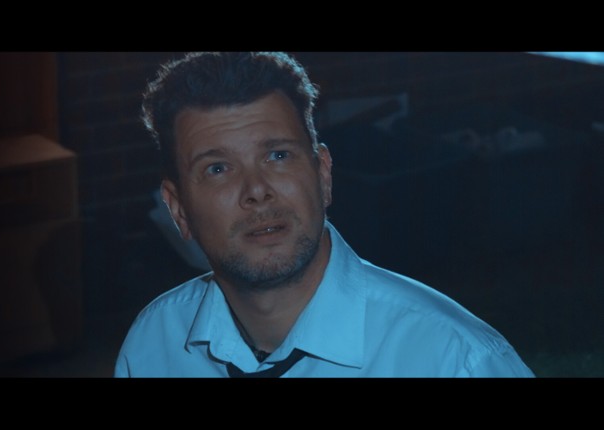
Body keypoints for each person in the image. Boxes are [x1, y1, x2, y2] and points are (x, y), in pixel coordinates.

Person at [114, 52, 535, 377]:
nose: (256, 190)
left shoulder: (453, 359)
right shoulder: (155, 343)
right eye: (218, 169)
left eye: (278, 156)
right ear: (178, 209)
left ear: (324, 174)